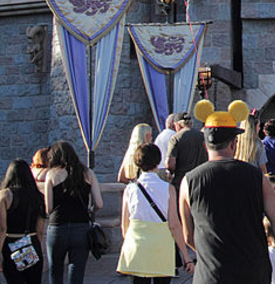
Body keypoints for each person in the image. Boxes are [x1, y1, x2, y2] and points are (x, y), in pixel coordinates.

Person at [179, 103, 275, 284]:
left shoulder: (189, 181)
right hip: (252, 269)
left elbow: (188, 235)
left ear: (205, 145)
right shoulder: (257, 177)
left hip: (211, 273)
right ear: (234, 144)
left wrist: (210, 253)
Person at [117, 142, 194, 283]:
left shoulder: (130, 189)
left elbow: (125, 225)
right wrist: (186, 256)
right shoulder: (168, 189)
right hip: (161, 246)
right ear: (158, 162)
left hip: (137, 245)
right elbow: (174, 225)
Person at [44, 141, 103, 284]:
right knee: (77, 270)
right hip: (81, 228)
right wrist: (91, 209)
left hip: (58, 227)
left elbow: (49, 208)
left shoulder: (51, 175)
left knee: (55, 270)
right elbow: (99, 204)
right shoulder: (88, 173)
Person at [0, 159, 46, 284]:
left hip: (11, 244)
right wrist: (36, 245)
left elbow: (2, 228)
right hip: (32, 242)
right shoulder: (38, 196)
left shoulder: (5, 196)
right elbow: (40, 230)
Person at [167, 114, 207, 195]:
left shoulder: (175, 138)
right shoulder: (203, 136)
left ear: (178, 124)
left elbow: (170, 164)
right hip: (201, 182)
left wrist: (170, 172)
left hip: (181, 182)